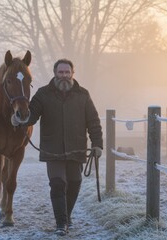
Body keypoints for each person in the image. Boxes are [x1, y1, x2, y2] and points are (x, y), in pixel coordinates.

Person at [11, 58, 103, 236]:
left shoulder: (83, 95)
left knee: (75, 183)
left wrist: (97, 144)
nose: (64, 76)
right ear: (55, 74)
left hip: (76, 148)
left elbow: (93, 121)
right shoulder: (43, 94)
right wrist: (20, 119)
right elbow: (32, 115)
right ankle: (61, 223)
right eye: (60, 72)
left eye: (67, 72)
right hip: (52, 149)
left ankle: (66, 216)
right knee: (58, 183)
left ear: (72, 74)